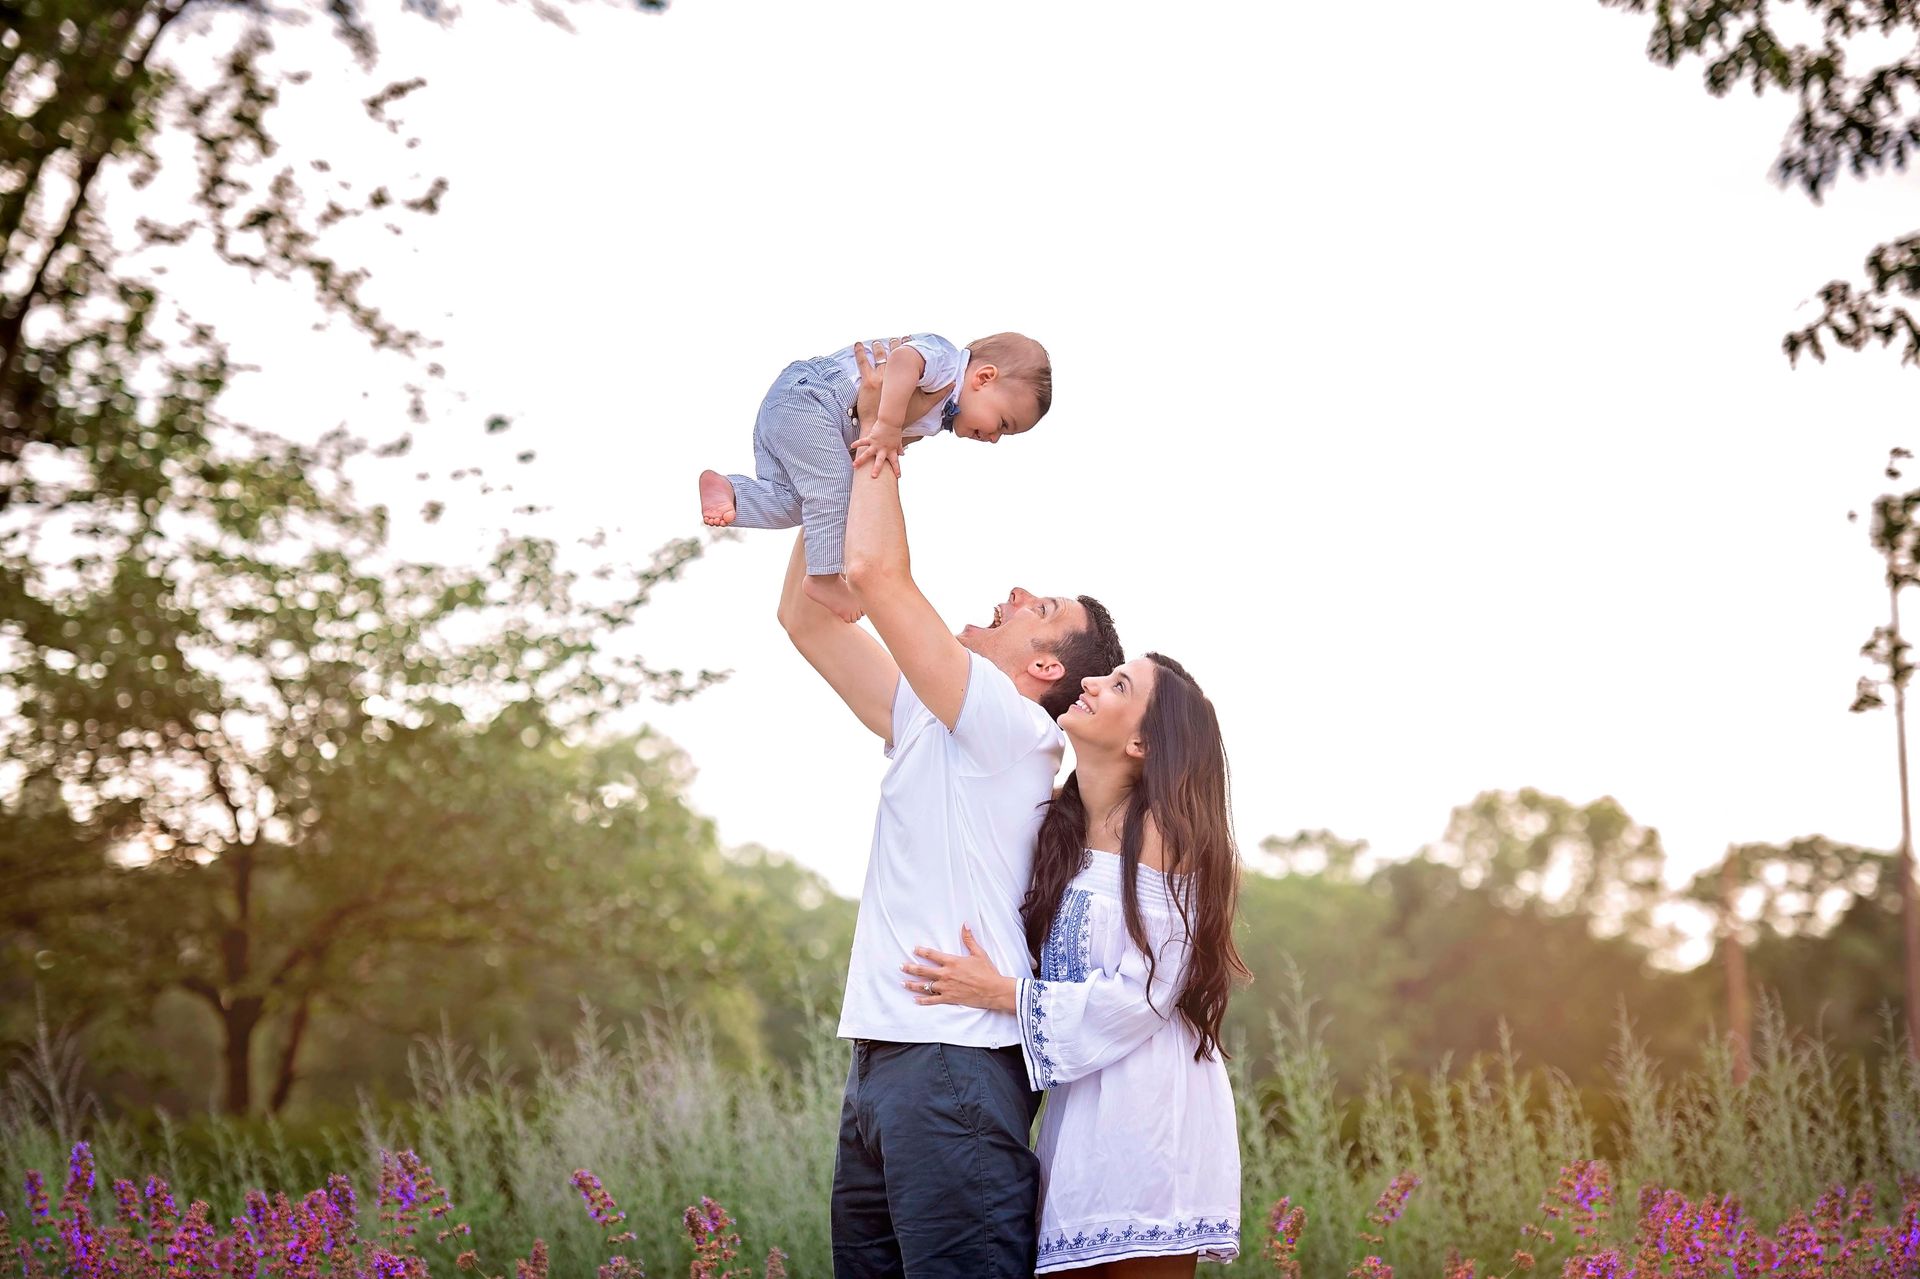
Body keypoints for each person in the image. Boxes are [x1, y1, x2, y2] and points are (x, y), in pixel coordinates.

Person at [774, 337, 1120, 1279]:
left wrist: (888, 437)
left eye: (1037, 605)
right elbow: (808, 616)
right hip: (887, 1061)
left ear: (1044, 669)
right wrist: (844, 440)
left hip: (955, 1069)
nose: (1012, 592)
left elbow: (880, 580)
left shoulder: (1012, 725)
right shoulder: (935, 717)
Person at [901, 653, 1248, 1277]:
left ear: (1142, 741)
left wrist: (1006, 994)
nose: (1089, 681)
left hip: (1150, 1105)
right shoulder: (1059, 826)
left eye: (1119, 685)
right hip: (1081, 1104)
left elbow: (1149, 993)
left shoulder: (1163, 832)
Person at [702, 331, 1052, 622]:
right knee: (835, 490)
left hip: (807, 417)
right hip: (814, 398)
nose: (993, 439)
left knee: (798, 502)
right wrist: (886, 426)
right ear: (984, 377)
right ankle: (822, 578)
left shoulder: (941, 412)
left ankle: (733, 493)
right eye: (1003, 425)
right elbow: (902, 361)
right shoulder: (946, 362)